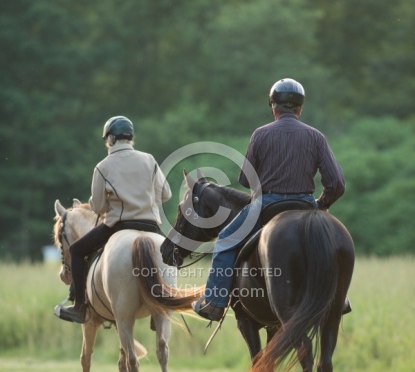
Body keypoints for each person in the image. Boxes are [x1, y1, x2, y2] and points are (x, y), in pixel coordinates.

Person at [192, 78, 347, 321]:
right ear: (300, 108)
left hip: (266, 206)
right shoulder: (316, 137)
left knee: (224, 241)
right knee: (331, 244)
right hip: (305, 205)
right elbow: (336, 183)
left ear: (273, 107)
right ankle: (341, 298)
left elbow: (245, 179)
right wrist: (321, 204)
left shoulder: (260, 134)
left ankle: (214, 302)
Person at [55, 115, 171, 324]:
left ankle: (80, 307)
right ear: (131, 138)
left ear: (109, 139)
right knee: (169, 256)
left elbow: (98, 207)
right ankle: (163, 303)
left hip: (118, 226)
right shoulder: (149, 159)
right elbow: (166, 195)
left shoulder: (102, 166)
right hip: (151, 226)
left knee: (77, 250)